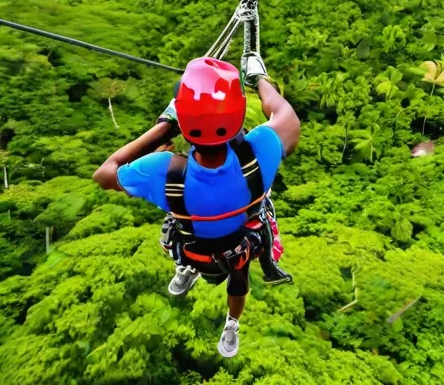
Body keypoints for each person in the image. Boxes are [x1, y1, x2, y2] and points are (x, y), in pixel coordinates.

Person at [92, 53, 301, 358]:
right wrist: (258, 79)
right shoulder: (261, 152)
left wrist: (165, 126)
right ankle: (232, 324)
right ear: (238, 116)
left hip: (191, 245)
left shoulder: (162, 170)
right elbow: (285, 115)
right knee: (238, 280)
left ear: (184, 123)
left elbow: (105, 174)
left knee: (184, 237)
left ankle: (185, 270)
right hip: (237, 248)